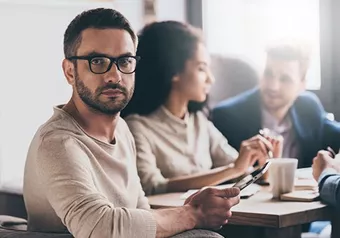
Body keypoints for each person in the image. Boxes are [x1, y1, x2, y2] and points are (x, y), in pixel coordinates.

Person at [23, 8, 241, 238]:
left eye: (125, 61)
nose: (114, 76)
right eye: (97, 61)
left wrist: (190, 210)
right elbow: (100, 228)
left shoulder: (122, 130)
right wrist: (191, 214)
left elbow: (141, 212)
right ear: (69, 71)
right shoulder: (58, 142)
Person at [121, 21, 280, 196]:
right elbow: (152, 186)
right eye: (201, 68)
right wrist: (233, 169)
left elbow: (240, 170)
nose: (211, 79)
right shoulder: (137, 127)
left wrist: (262, 161)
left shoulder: (199, 121)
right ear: (174, 71)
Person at [212, 42, 340, 168]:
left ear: (302, 85)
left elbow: (334, 132)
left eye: (285, 79)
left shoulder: (309, 107)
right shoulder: (227, 117)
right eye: (268, 73)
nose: (273, 86)